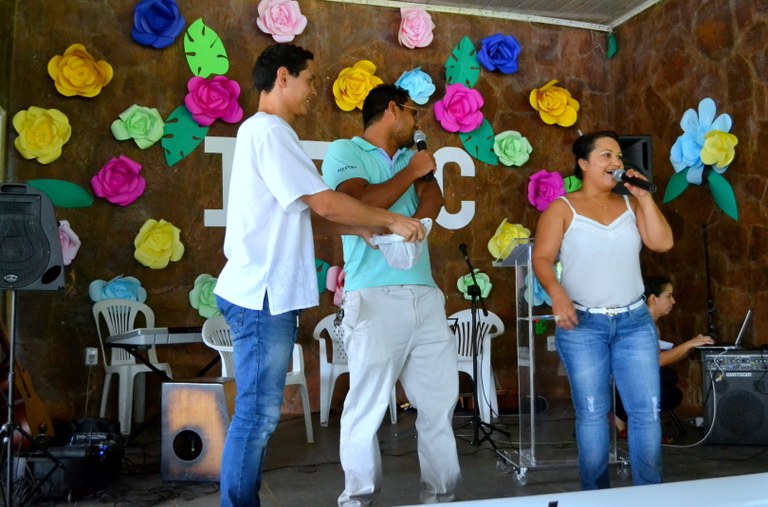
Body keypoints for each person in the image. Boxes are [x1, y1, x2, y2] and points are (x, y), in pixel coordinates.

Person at [213, 45, 426, 507]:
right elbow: (325, 202)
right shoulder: (270, 131)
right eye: (309, 80)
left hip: (265, 296)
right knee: (256, 416)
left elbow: (305, 213)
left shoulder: (266, 132)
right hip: (260, 296)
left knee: (258, 415)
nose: (314, 91)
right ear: (283, 77)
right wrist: (389, 220)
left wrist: (359, 228)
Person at [321, 84, 461, 506]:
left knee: (439, 404)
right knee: (366, 406)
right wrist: (411, 174)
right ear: (392, 110)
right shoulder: (345, 151)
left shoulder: (410, 157)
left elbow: (433, 198)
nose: (418, 122)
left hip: (425, 294)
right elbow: (357, 201)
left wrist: (415, 220)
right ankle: (358, 499)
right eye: (413, 113)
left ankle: (442, 496)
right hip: (373, 295)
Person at [532, 130, 674, 490]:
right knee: (594, 413)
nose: (616, 162)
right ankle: (594, 496)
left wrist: (643, 197)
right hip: (583, 325)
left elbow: (662, 243)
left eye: (619, 157)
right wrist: (557, 295)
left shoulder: (630, 204)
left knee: (645, 411)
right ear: (583, 163)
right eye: (606, 155)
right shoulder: (562, 208)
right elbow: (542, 259)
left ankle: (649, 494)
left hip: (634, 322)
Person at [614, 275, 715, 435]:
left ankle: (627, 417)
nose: (673, 301)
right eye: (669, 296)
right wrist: (688, 344)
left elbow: (660, 359)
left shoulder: (651, 324)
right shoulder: (641, 324)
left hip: (635, 380)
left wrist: (691, 347)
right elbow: (656, 361)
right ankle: (620, 414)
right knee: (667, 377)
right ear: (653, 298)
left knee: (674, 394)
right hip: (621, 384)